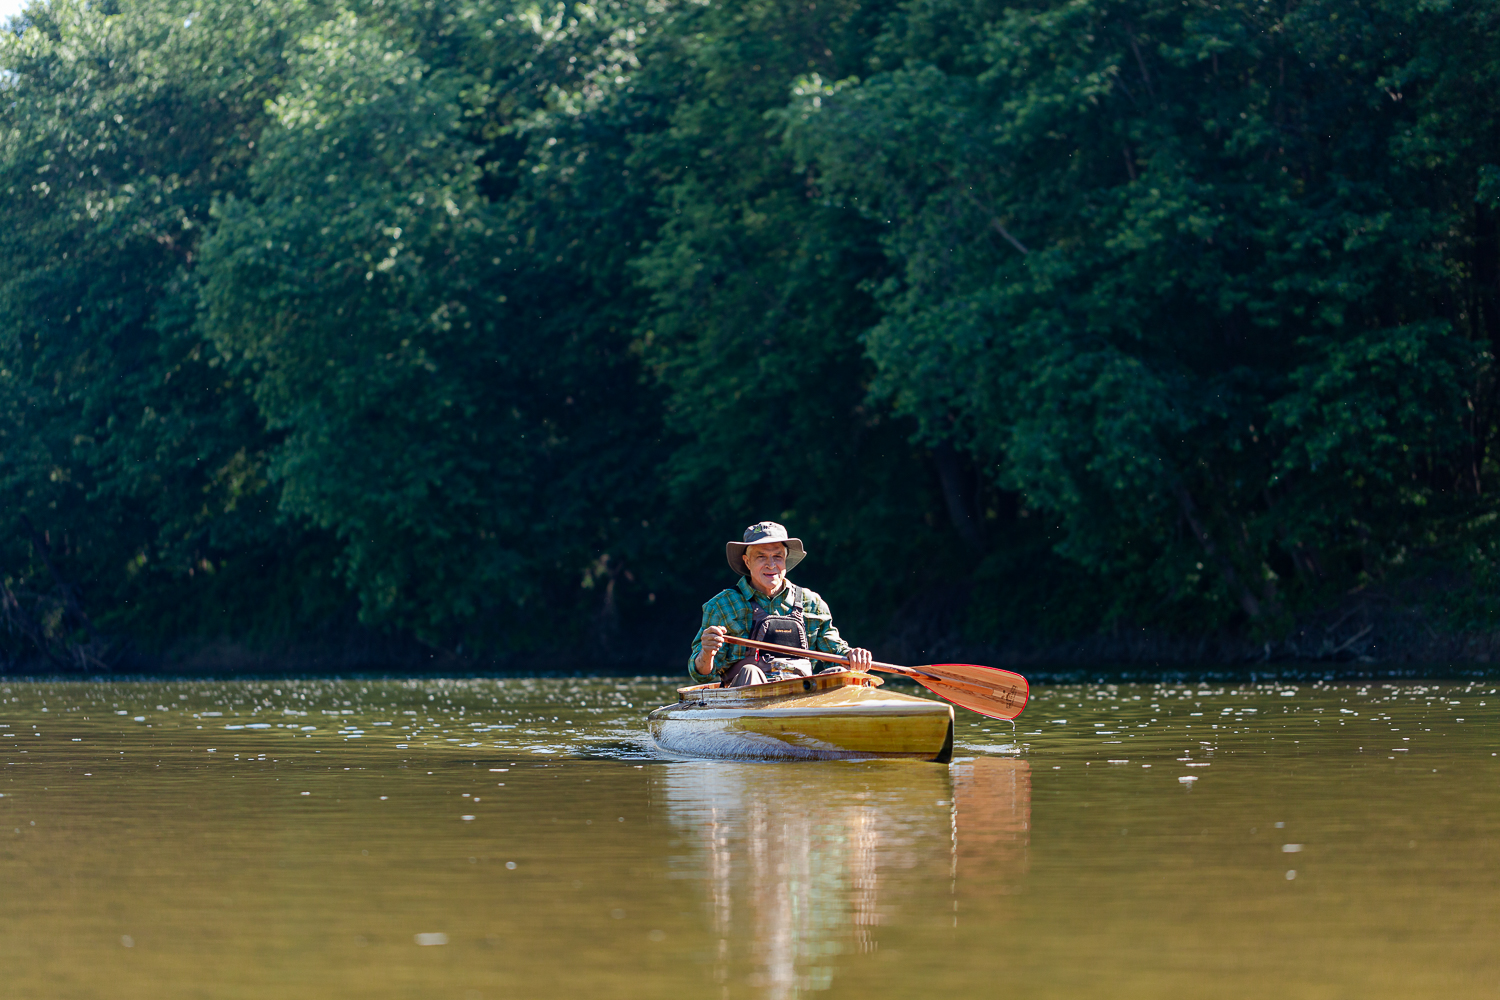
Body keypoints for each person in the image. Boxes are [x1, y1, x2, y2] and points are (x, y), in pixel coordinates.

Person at [690, 521, 873, 687]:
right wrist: (707, 652)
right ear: (747, 562)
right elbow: (702, 676)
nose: (771, 565)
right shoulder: (721, 605)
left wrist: (852, 656)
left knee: (842, 674)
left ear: (785, 559)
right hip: (745, 699)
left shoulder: (812, 602)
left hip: (802, 696)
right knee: (750, 672)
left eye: (777, 556)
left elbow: (836, 654)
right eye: (761, 557)